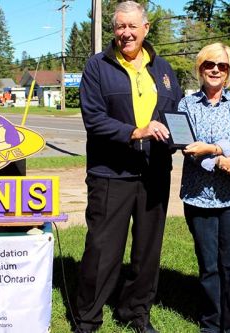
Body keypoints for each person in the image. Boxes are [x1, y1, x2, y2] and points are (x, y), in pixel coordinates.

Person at [74, 2, 182, 332]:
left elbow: (175, 115)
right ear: (114, 30)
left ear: (146, 29)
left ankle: (135, 311)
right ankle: (88, 319)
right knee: (103, 251)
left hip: (154, 173)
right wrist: (134, 132)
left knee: (147, 251)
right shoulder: (98, 66)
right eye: (120, 27)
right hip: (111, 174)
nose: (126, 33)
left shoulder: (162, 70)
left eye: (133, 26)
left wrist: (185, 142)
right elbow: (93, 119)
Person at [177, 42, 230, 333]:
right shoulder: (186, 105)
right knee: (208, 267)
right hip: (198, 197)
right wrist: (220, 161)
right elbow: (188, 147)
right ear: (200, 68)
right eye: (210, 64)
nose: (216, 70)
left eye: (222, 65)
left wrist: (214, 148)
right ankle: (210, 324)